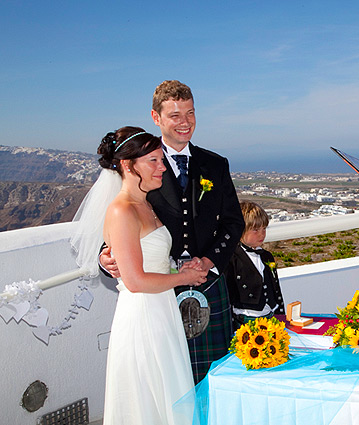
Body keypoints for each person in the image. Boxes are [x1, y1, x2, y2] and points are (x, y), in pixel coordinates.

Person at [100, 80, 245, 382]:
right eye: (175, 115)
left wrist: (209, 261)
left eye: (190, 113)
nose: (185, 122)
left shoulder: (216, 164)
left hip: (208, 282)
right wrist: (104, 256)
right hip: (159, 289)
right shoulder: (141, 165)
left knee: (214, 379)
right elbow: (117, 220)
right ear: (156, 118)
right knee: (169, 381)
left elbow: (233, 223)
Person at [81, 127, 208, 424]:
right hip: (142, 316)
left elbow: (153, 262)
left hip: (162, 312)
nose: (162, 167)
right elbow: (135, 281)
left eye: (161, 160)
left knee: (169, 393)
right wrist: (183, 280)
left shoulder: (147, 205)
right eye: (153, 161)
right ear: (128, 165)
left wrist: (179, 269)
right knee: (148, 399)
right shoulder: (121, 211)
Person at [225, 201, 285, 329]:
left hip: (270, 318)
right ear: (241, 230)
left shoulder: (266, 256)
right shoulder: (231, 258)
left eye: (264, 228)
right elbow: (228, 295)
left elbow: (276, 290)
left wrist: (281, 316)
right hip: (245, 322)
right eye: (255, 230)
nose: (262, 234)